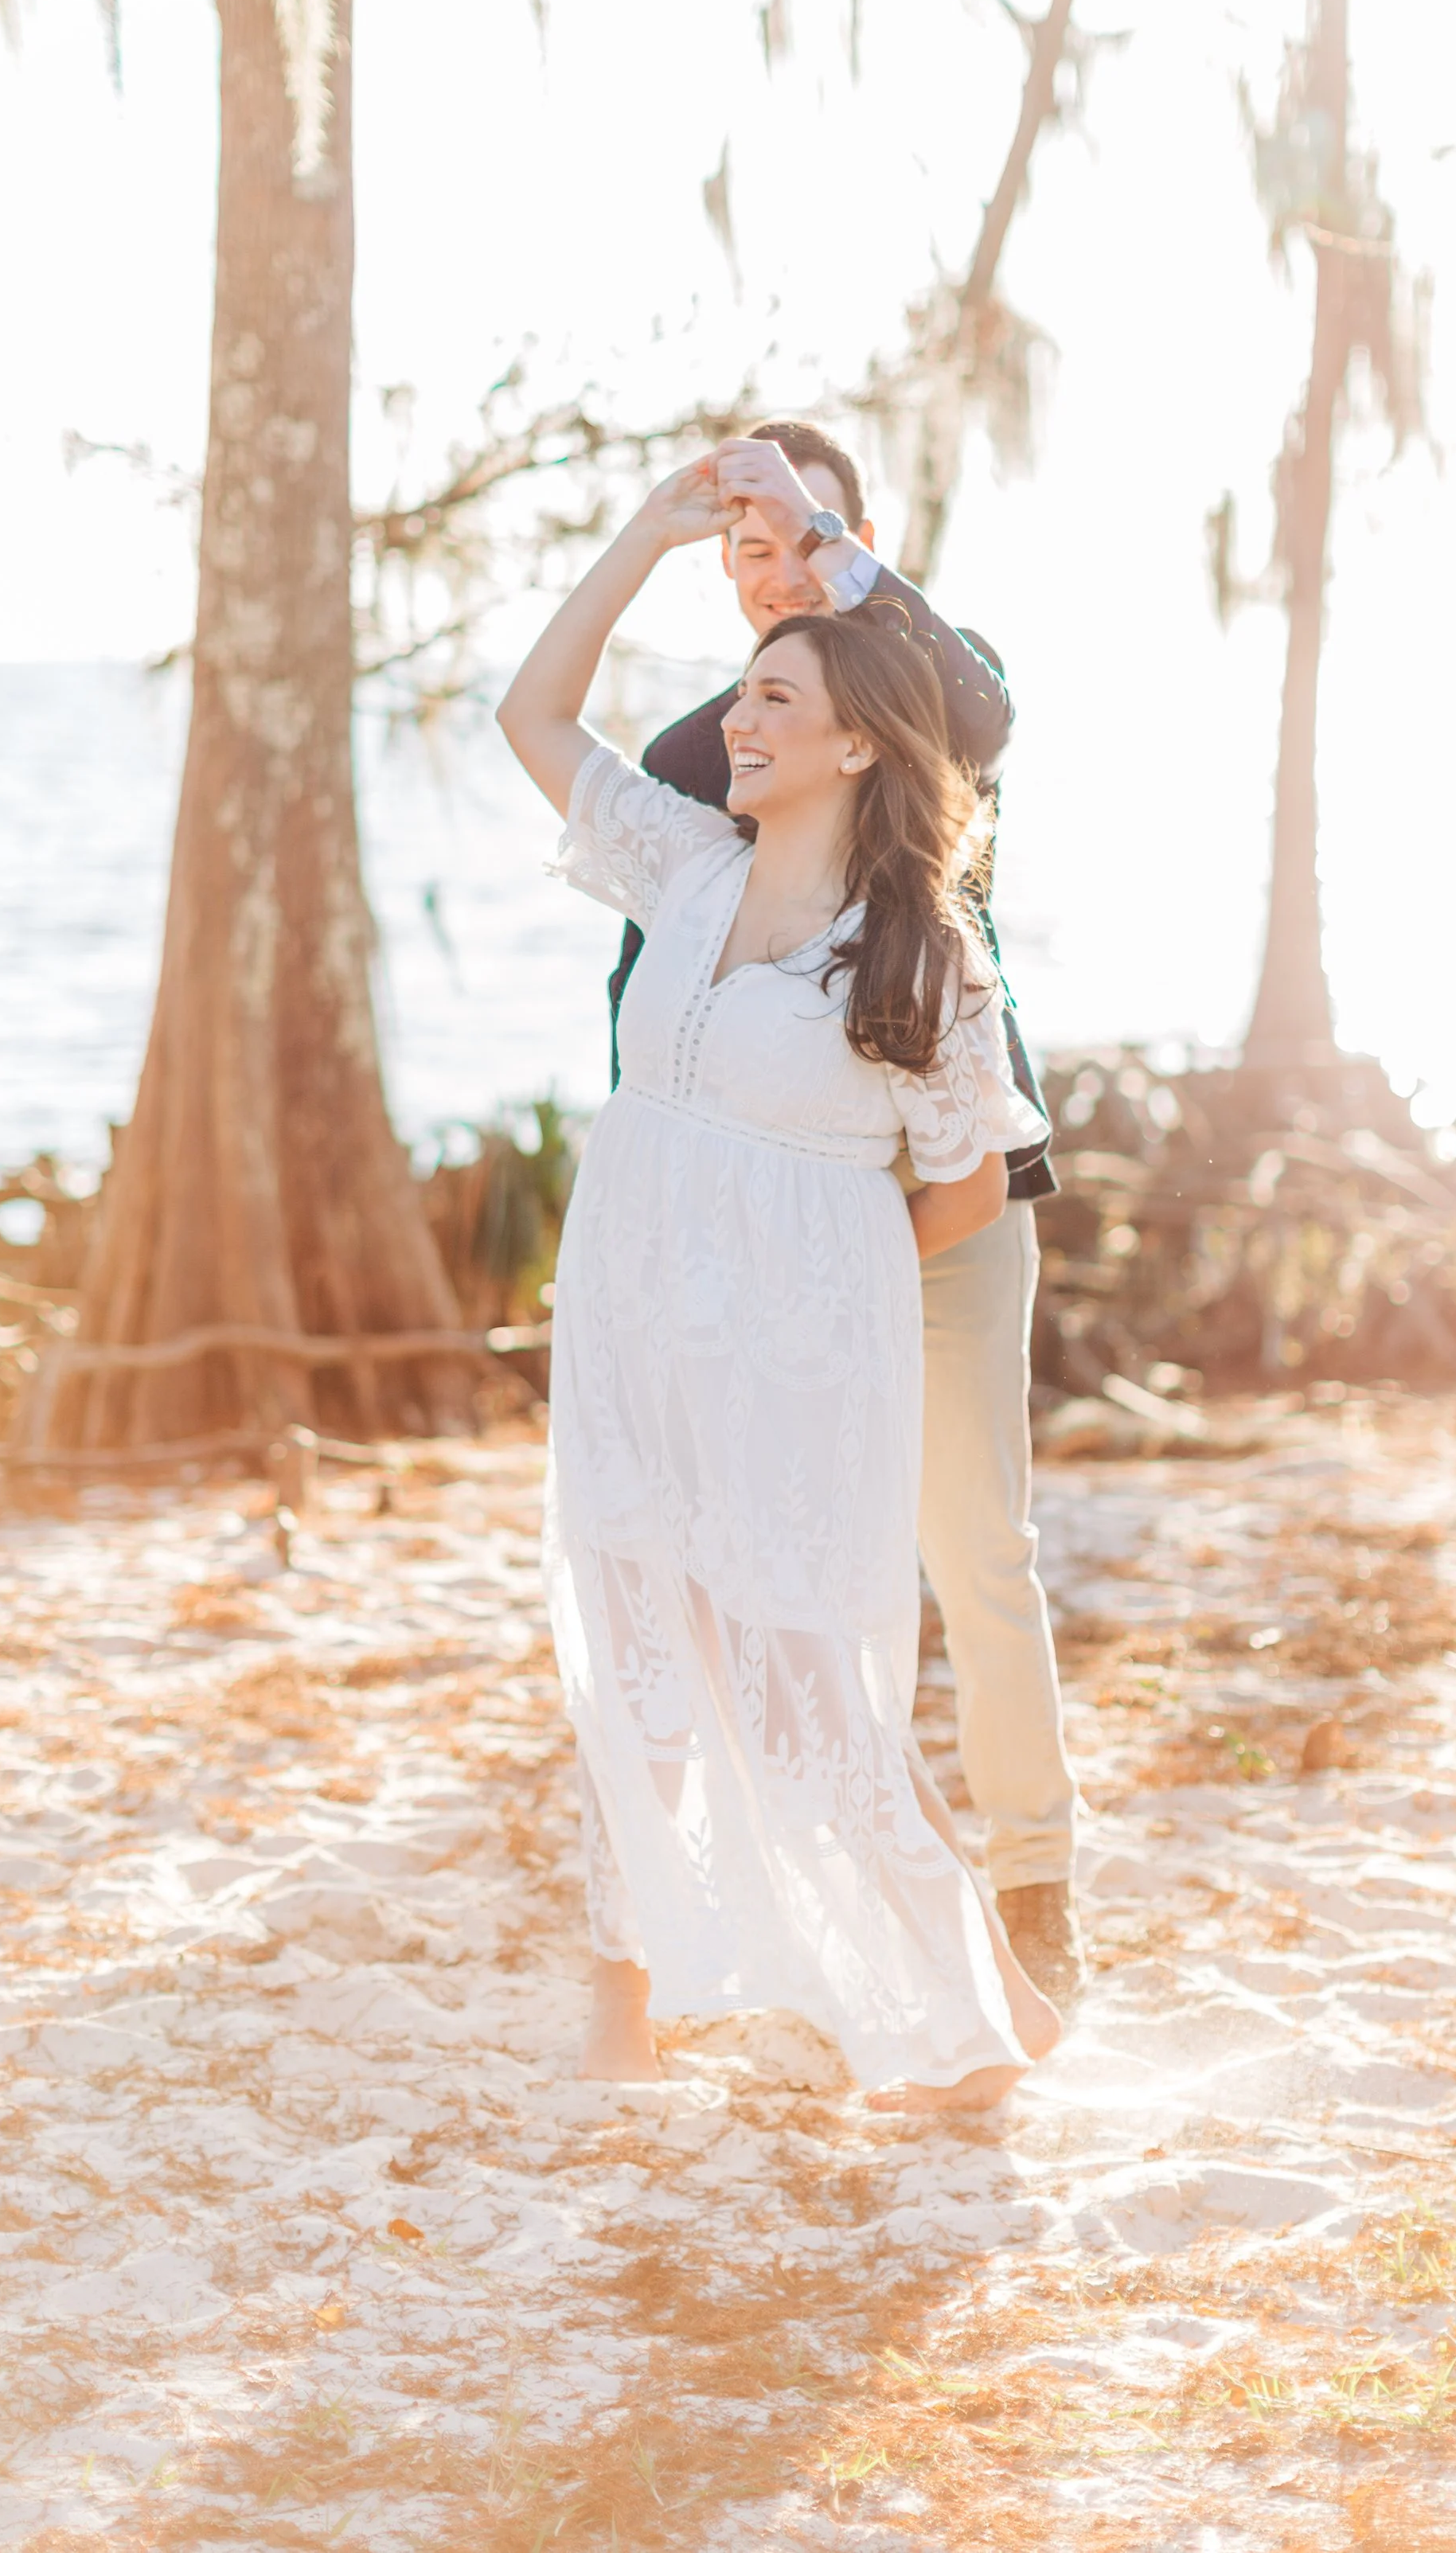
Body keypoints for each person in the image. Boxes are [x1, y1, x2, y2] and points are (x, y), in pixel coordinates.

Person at [496, 455, 1062, 2109]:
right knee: (629, 1645)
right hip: (627, 1331)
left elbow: (959, 1182)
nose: (731, 725)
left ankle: (990, 2007)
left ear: (856, 739)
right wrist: (642, 537)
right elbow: (538, 720)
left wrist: (813, 1298)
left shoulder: (909, 948)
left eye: (769, 700)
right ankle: (623, 2007)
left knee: (800, 1688)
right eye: (739, 694)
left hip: (796, 1355)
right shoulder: (679, 866)